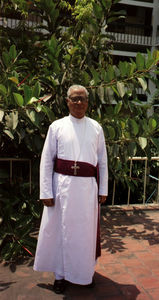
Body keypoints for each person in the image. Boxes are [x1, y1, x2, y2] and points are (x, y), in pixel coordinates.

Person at [33, 85, 108, 294]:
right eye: (74, 99)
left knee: (84, 234)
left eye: (82, 99)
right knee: (60, 233)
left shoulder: (96, 128)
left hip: (87, 191)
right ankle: (60, 275)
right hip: (61, 189)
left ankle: (84, 274)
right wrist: (45, 191)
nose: (78, 103)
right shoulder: (56, 127)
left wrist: (103, 189)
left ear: (88, 102)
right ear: (67, 101)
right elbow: (47, 160)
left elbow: (102, 161)